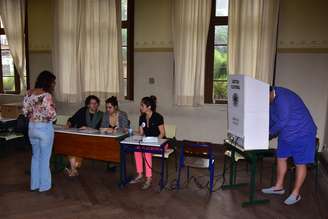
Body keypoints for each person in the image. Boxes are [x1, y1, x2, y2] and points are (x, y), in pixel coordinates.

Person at [262, 86, 317, 205]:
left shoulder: (283, 97)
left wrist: (269, 134)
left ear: (271, 92)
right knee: (281, 157)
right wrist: (264, 131)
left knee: (300, 163)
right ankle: (279, 187)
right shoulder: (271, 101)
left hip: (303, 132)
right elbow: (272, 120)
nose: (263, 101)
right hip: (287, 132)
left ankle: (295, 194)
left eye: (264, 97)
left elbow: (282, 121)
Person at [22, 70, 57, 192]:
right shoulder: (47, 95)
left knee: (35, 157)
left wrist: (35, 116)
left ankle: (34, 184)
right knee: (45, 158)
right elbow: (52, 115)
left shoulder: (29, 93)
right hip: (44, 129)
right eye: (53, 82)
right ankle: (44, 186)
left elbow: (25, 112)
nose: (53, 85)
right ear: (48, 82)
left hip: (32, 128)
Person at [130, 96, 166, 190]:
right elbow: (141, 133)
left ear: (149, 107)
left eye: (142, 105)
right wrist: (131, 132)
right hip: (147, 142)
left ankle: (149, 178)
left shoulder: (158, 117)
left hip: (161, 142)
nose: (140, 107)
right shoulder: (142, 117)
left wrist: (155, 143)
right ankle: (140, 174)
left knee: (147, 152)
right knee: (137, 150)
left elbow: (162, 134)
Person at [65, 95, 103, 176]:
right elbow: (72, 119)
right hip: (79, 136)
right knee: (70, 144)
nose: (94, 105)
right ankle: (74, 169)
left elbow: (101, 130)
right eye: (92, 103)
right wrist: (68, 124)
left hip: (93, 140)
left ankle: (73, 168)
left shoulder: (101, 115)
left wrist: (88, 128)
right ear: (88, 105)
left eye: (96, 103)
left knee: (79, 146)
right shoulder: (82, 111)